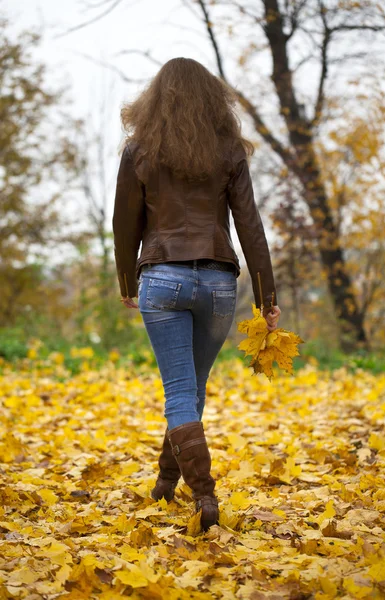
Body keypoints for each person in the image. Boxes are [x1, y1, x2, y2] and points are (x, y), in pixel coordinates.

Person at [112, 57, 281, 532]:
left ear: (155, 100)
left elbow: (124, 223)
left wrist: (128, 283)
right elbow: (250, 226)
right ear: (213, 100)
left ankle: (203, 495)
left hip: (162, 279)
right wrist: (266, 296)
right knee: (190, 388)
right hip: (218, 284)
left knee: (182, 391)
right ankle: (167, 482)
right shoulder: (228, 150)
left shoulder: (140, 149)